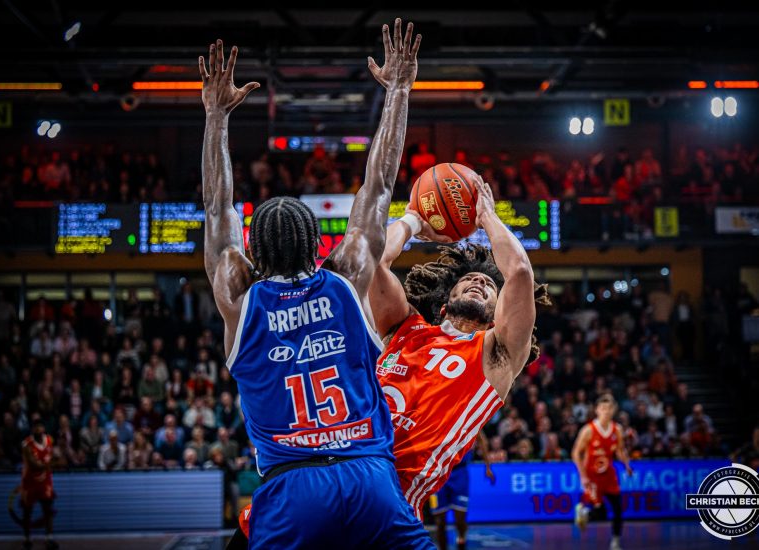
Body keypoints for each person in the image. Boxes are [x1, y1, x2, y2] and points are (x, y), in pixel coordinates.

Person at [200, 22, 432, 548]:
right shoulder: (347, 278)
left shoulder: (240, 298)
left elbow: (217, 208)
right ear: (316, 245)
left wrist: (215, 116)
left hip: (292, 489)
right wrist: (399, 89)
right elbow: (379, 186)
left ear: (253, 252)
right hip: (369, 477)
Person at [368, 172, 548, 517]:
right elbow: (375, 261)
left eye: (489, 286)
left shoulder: (497, 353)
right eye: (469, 279)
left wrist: (487, 217)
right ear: (444, 305)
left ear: (496, 316)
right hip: (341, 463)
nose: (479, 280)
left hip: (392, 495)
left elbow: (519, 272)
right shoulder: (406, 328)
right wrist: (412, 219)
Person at [571, 394, 634, 550]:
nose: (606, 411)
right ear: (597, 410)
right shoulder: (588, 430)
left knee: (618, 509)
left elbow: (619, 450)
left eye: (609, 408)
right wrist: (583, 476)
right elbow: (575, 453)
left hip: (609, 475)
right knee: (601, 513)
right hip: (592, 477)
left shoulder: (617, 429)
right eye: (603, 408)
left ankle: (615, 541)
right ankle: (584, 512)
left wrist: (626, 465)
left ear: (613, 410)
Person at [430, 433, 495, 550]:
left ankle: (461, 543)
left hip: (459, 474)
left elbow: (482, 440)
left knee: (460, 519)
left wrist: (488, 466)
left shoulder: (466, 421)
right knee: (439, 521)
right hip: (438, 474)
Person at [20, 419, 57, 550]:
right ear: (32, 429)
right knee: (27, 511)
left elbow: (53, 456)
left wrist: (54, 460)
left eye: (40, 426)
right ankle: (27, 539)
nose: (38, 429)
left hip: (45, 481)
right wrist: (53, 463)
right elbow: (34, 465)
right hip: (30, 481)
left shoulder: (50, 440)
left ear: (44, 428)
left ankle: (49, 538)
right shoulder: (26, 444)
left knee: (48, 510)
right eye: (36, 427)